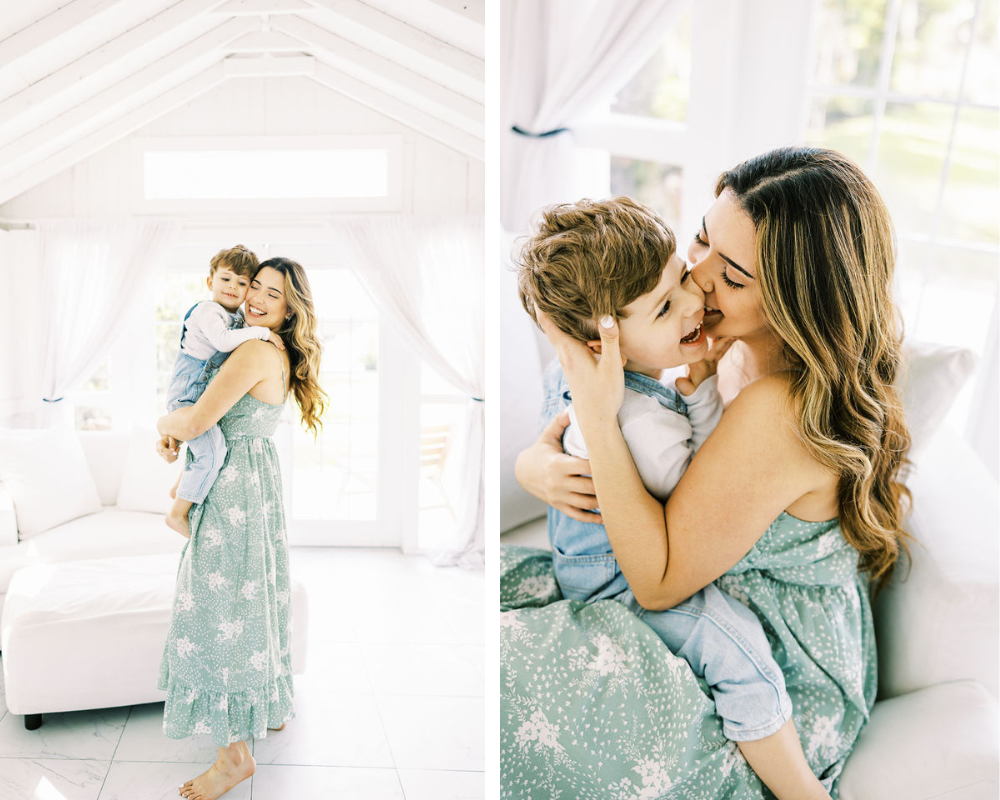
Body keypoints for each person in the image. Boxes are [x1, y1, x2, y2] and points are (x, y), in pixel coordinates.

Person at [505, 146, 912, 798]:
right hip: (686, 594)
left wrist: (595, 418)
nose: (695, 277)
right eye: (700, 238)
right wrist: (538, 464)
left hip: (767, 667)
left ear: (797, 298)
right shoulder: (719, 343)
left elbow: (659, 581)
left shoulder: (779, 410)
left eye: (733, 274)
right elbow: (615, 411)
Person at [155, 257, 327, 800]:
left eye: (271, 293)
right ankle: (268, 710)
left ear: (288, 306)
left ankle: (233, 756)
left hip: (232, 492)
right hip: (253, 485)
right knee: (254, 603)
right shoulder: (270, 348)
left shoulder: (252, 348)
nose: (254, 297)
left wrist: (165, 425)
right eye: (253, 285)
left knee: (218, 611)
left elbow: (198, 419)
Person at [164, 245, 285, 538]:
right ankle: (177, 513)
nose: (234, 287)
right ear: (210, 282)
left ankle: (180, 490)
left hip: (199, 394)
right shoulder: (209, 311)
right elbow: (222, 341)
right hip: (188, 389)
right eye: (226, 279)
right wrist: (264, 332)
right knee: (212, 449)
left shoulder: (241, 324)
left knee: (211, 444)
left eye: (243, 283)